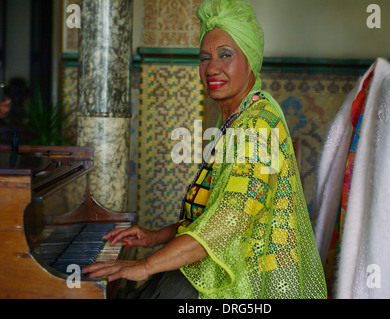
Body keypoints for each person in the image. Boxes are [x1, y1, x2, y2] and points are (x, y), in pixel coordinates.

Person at [83, 0, 327, 299]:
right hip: (209, 270)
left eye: (226, 55)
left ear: (250, 59)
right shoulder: (236, 118)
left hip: (240, 287)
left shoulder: (258, 125)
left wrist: (145, 266)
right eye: (204, 57)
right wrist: (154, 237)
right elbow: (213, 213)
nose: (212, 67)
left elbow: (229, 221)